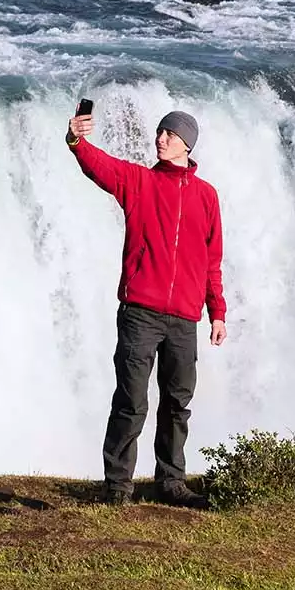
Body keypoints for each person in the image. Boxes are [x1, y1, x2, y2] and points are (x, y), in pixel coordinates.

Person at [67, 106, 227, 507]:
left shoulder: (207, 196)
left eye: (169, 134)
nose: (160, 139)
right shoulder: (139, 181)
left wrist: (217, 312)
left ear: (186, 144)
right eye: (159, 132)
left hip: (184, 320)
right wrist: (75, 141)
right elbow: (98, 166)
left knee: (176, 405)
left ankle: (171, 483)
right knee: (131, 401)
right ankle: (117, 488)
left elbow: (212, 260)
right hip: (140, 313)